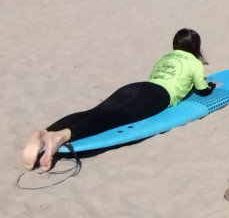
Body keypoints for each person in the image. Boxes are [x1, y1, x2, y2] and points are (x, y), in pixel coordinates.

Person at [21, 29, 216, 171]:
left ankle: (43, 132)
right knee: (111, 119)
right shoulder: (194, 62)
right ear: (194, 46)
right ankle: (60, 136)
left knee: (96, 112)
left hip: (135, 87)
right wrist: (210, 86)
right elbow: (203, 90)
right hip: (158, 95)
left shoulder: (165, 57)